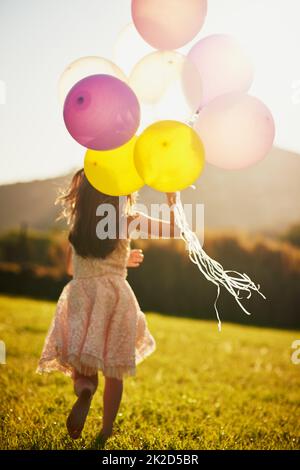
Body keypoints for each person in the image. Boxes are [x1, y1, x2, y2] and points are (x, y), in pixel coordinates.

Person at [36, 168, 177, 442]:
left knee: (84, 371)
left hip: (81, 296)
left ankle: (85, 391)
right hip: (114, 298)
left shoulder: (79, 223)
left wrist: (117, 261)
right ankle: (106, 429)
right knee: (115, 369)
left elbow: (70, 268)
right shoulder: (128, 219)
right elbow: (175, 230)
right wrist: (172, 199)